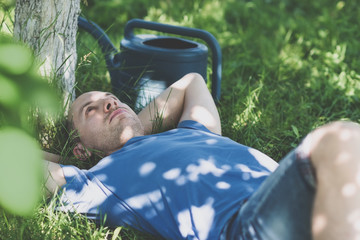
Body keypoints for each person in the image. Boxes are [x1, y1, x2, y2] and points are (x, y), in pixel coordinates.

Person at [43, 73, 360, 240]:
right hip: (245, 225)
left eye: (112, 100)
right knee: (340, 138)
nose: (109, 105)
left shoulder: (194, 130)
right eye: (92, 110)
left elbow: (191, 81)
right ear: (80, 148)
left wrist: (132, 128)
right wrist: (77, 160)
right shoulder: (100, 182)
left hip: (304, 202)